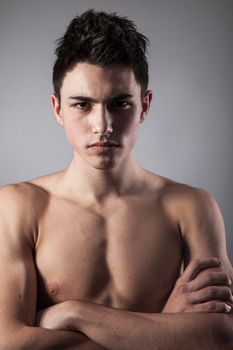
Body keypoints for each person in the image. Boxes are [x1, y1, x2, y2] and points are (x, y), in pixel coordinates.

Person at [0, 9, 232, 350]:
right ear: (57, 109)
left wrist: (71, 312)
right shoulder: (19, 206)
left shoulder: (191, 207)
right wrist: (167, 330)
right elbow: (10, 341)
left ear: (145, 105)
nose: (102, 125)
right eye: (82, 104)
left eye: (120, 103)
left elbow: (220, 335)